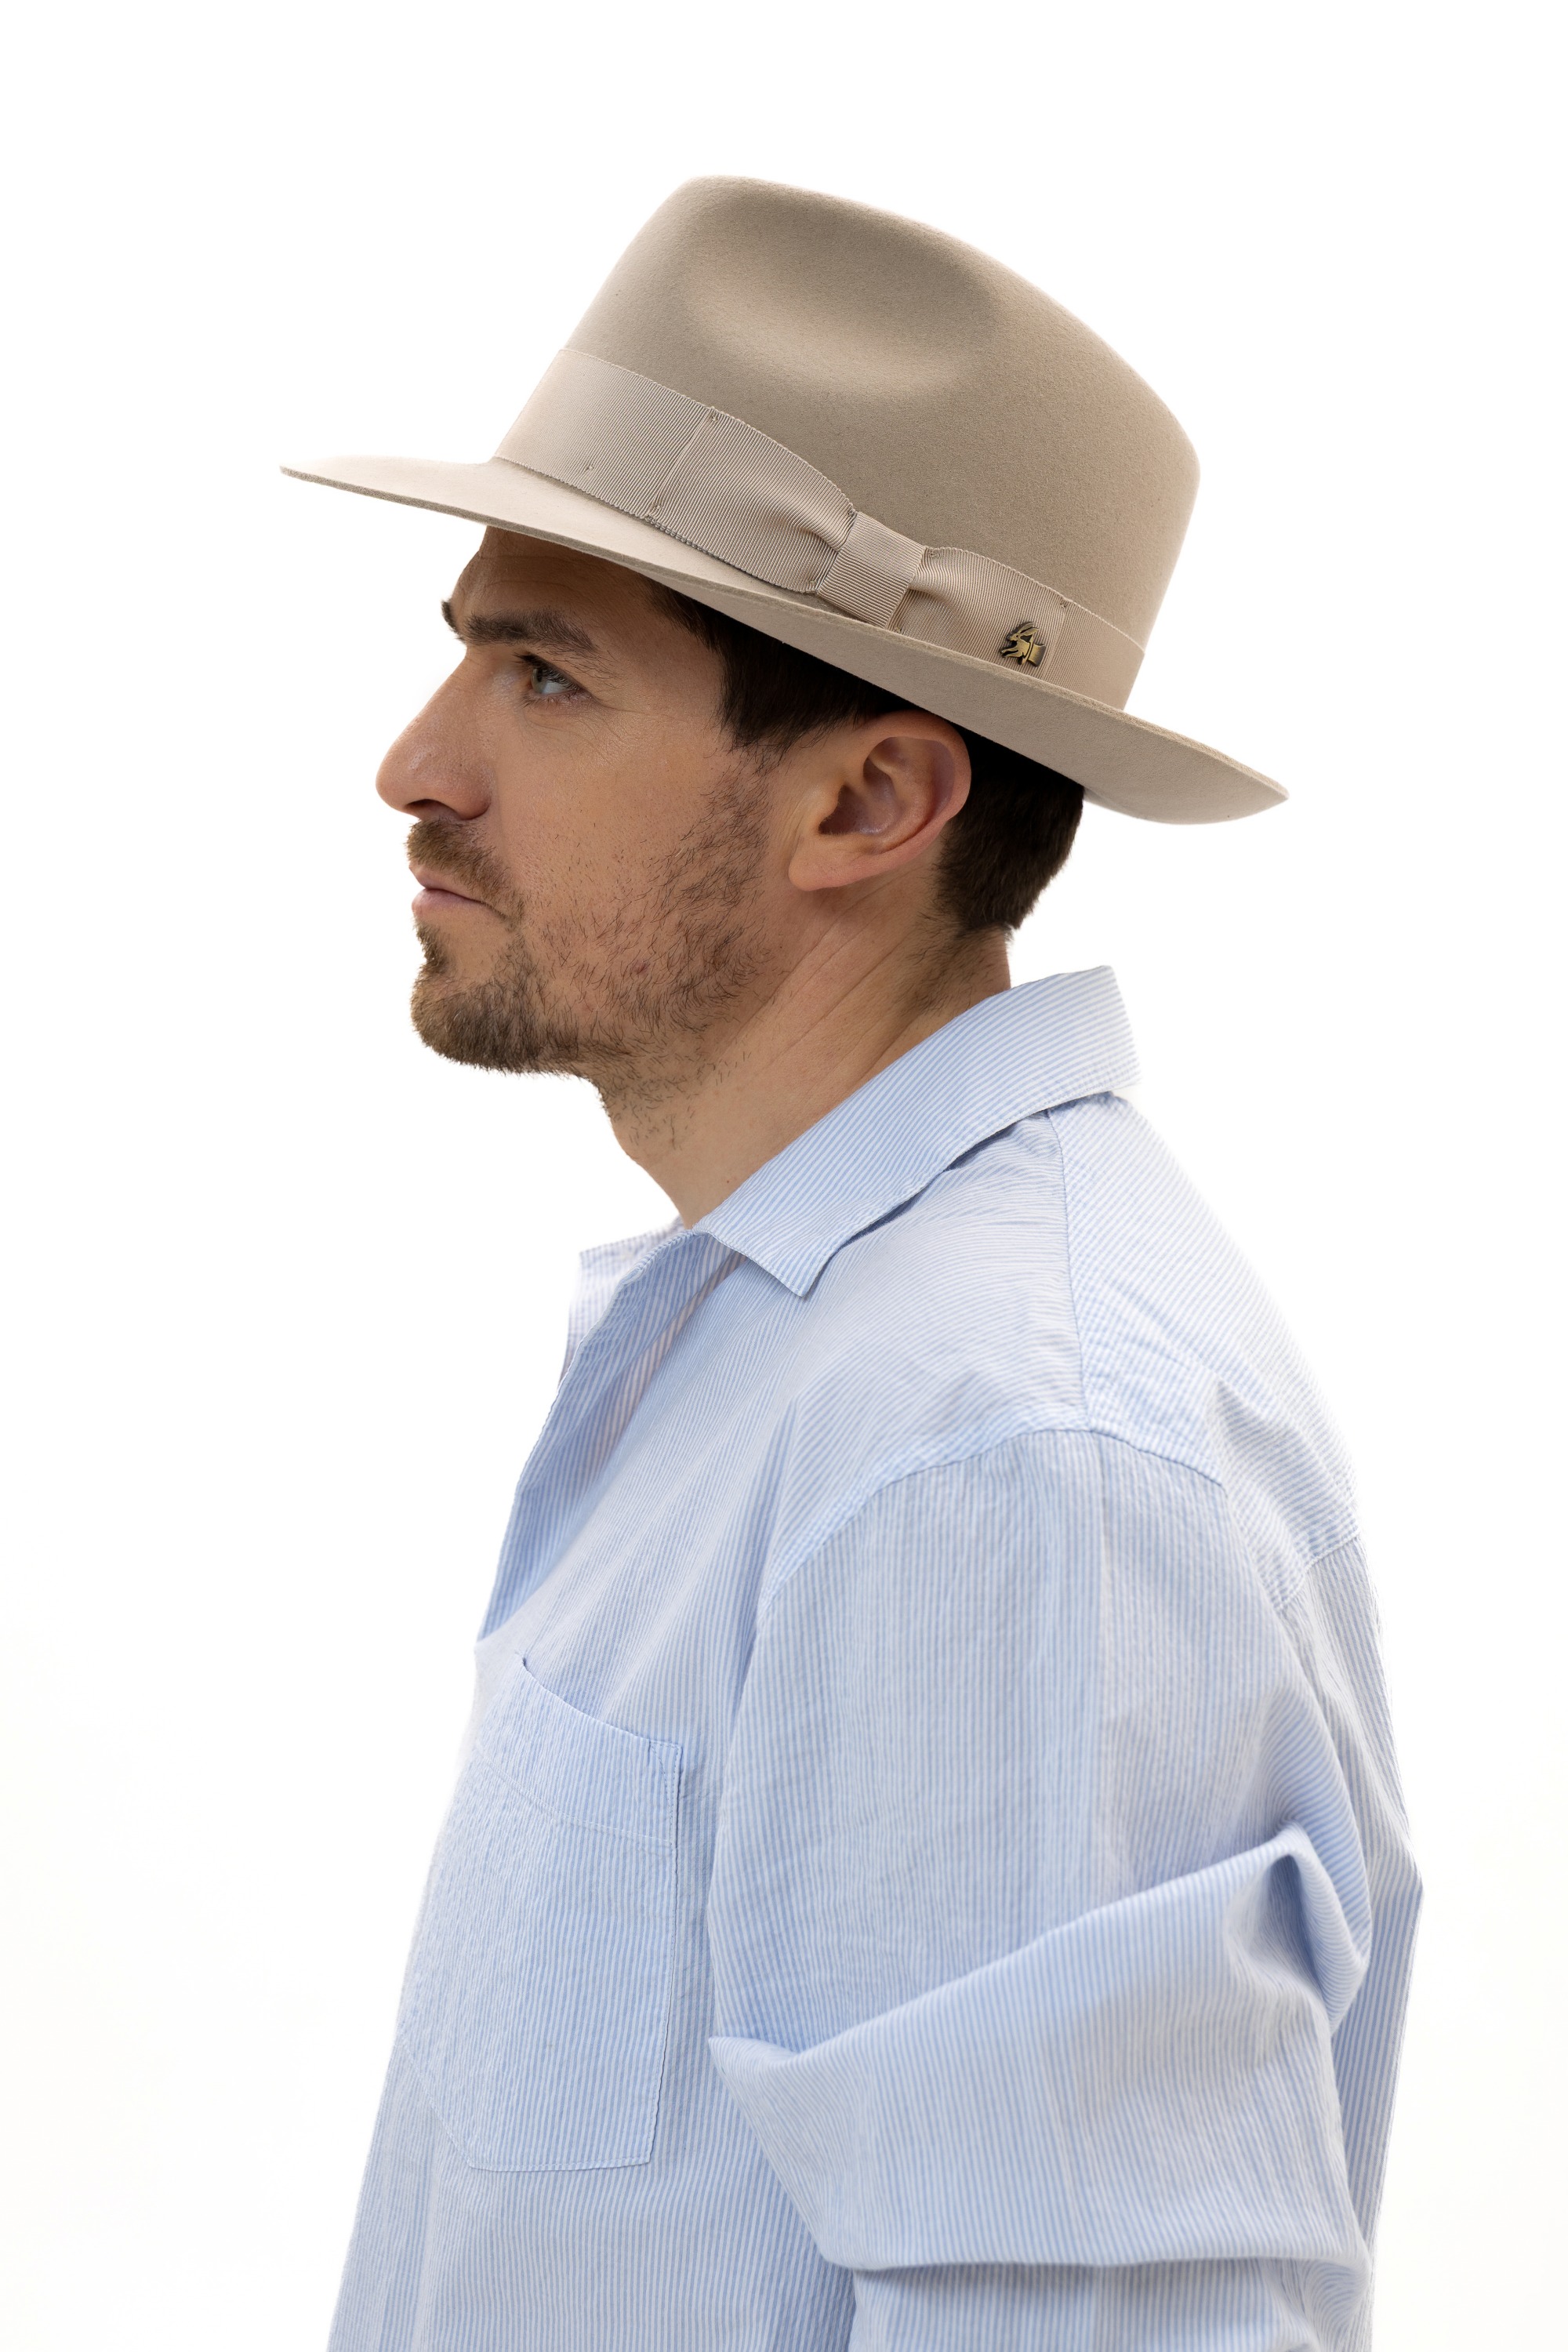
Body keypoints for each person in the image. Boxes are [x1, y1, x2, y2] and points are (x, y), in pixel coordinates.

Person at [287, 177, 1418, 2352]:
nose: (416, 766)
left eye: (546, 676)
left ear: (872, 801)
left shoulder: (1003, 1456)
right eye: (469, 650)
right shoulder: (806, 1352)